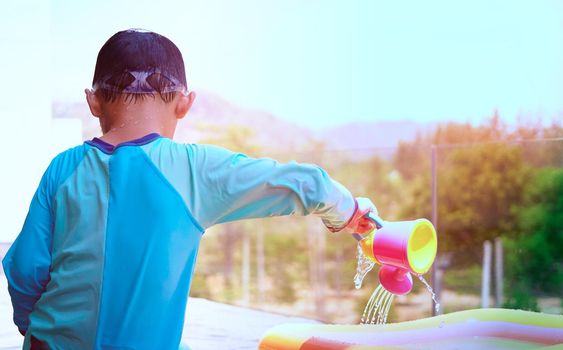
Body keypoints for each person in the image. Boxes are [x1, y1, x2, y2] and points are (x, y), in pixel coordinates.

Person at [2, 29, 377, 349]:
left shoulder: (62, 169)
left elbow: (24, 270)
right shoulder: (192, 169)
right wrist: (349, 213)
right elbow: (304, 184)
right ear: (185, 104)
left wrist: (32, 330)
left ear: (93, 101)